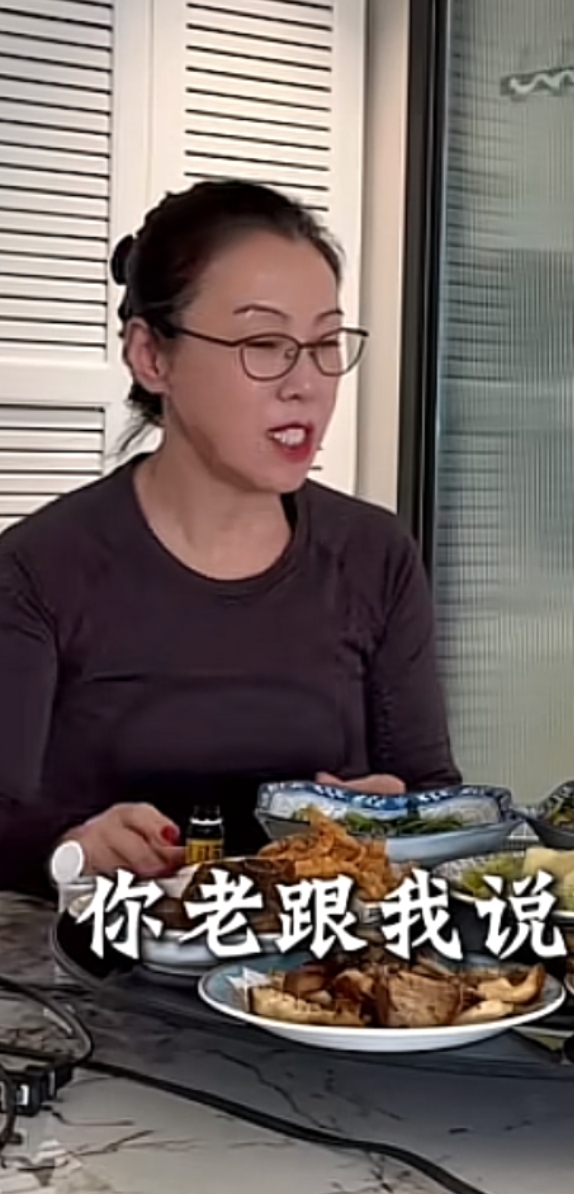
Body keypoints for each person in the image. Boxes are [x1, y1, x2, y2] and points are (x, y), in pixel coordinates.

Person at [0, 180, 460, 898]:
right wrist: (73, 847)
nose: (306, 384)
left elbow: (434, 793)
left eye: (324, 344)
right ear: (151, 356)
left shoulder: (375, 556)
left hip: (325, 956)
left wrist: (395, 817)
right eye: (264, 345)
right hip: (103, 960)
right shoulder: (39, 568)